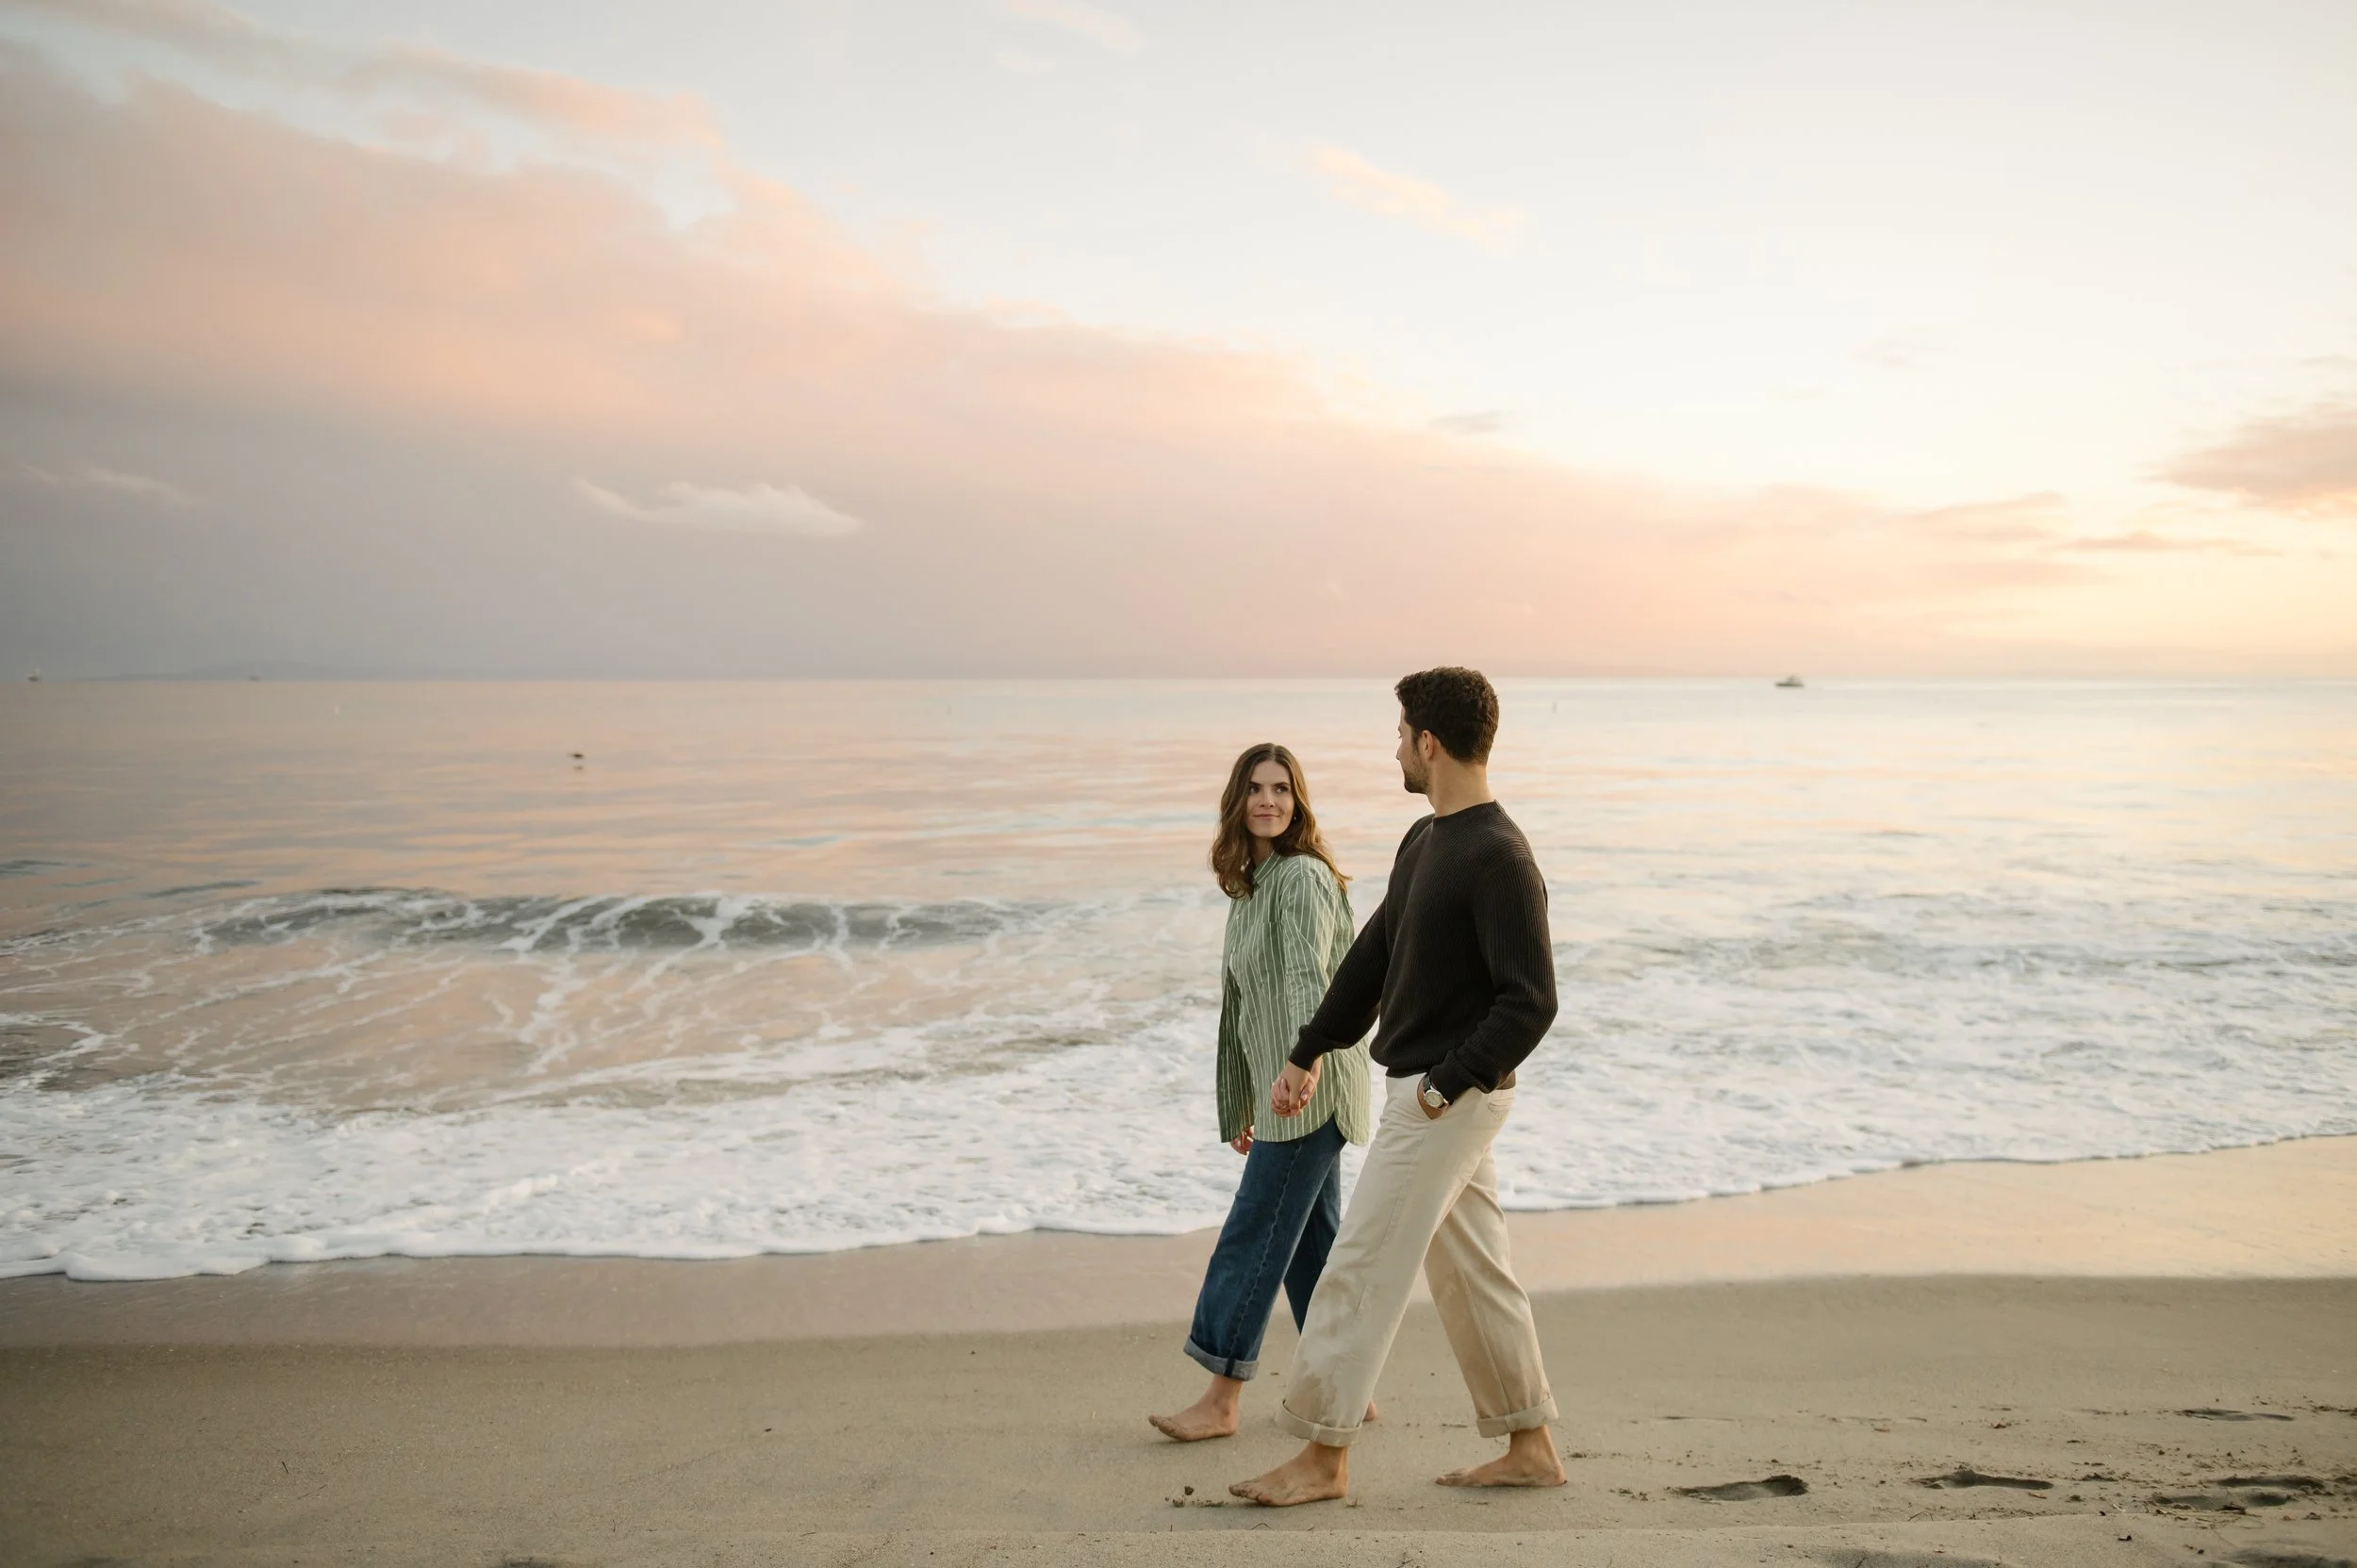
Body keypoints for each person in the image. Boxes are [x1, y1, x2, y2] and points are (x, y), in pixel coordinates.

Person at [1230, 667, 1566, 1506]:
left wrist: (1446, 1086)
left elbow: (1533, 1000)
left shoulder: (1499, 855)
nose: (1396, 748)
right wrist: (1310, 1049)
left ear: (1429, 741)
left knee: (1361, 1263)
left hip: (1447, 1099)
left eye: (1400, 732)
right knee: (1472, 1270)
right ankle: (1530, 1442)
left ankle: (1321, 1456)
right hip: (1425, 1089)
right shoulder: (1426, 841)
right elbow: (1375, 954)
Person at [1147, 743, 1374, 1443]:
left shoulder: (1301, 878)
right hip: (1289, 1090)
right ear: (1237, 802)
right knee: (1311, 1244)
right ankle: (1346, 1385)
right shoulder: (1254, 887)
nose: (1268, 800)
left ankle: (1220, 1398)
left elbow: (1311, 983)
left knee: (1252, 1235)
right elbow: (1246, 1007)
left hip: (1308, 1088)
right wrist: (1245, 1095)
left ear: (1297, 800)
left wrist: (1300, 1070)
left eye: (1281, 788)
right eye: (1255, 788)